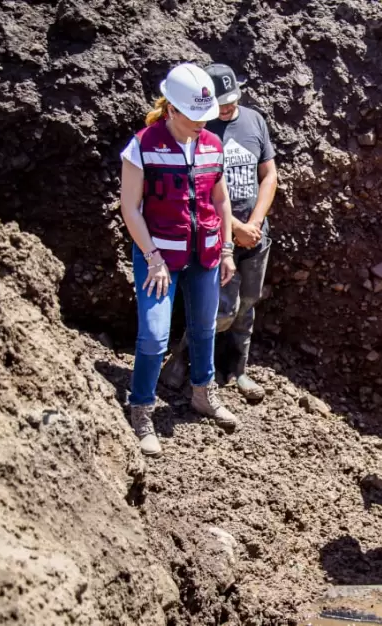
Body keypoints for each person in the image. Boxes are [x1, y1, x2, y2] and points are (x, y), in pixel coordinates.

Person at [119, 62, 239, 457]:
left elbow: (220, 200)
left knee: (205, 326)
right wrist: (151, 257)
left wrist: (225, 249)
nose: (202, 123)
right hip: (160, 257)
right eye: (195, 116)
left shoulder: (211, 144)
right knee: (153, 336)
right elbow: (130, 209)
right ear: (171, 108)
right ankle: (141, 408)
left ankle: (203, 394)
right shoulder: (143, 145)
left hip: (203, 253)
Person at [160, 62, 278, 403]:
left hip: (255, 236)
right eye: (220, 101)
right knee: (219, 309)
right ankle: (182, 357)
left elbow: (269, 176)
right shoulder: (199, 128)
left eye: (232, 99)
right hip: (216, 235)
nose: (227, 107)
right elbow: (194, 188)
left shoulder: (255, 120)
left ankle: (238, 368)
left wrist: (254, 224)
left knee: (249, 304)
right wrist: (235, 229)